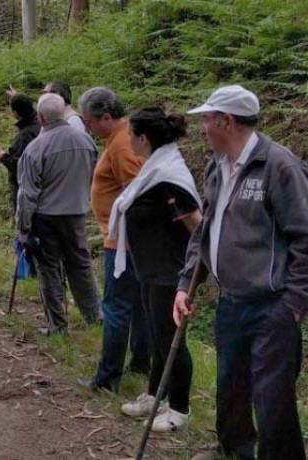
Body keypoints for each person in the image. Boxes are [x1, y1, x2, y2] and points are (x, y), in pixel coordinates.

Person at [177, 86, 308, 460]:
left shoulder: (280, 167)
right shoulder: (217, 166)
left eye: (207, 120)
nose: (202, 128)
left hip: (272, 307)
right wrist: (186, 285)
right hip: (231, 301)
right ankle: (232, 449)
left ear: (227, 122)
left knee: (272, 398)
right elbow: (204, 231)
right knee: (230, 385)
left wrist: (291, 306)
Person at [106, 107, 202, 432]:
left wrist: (190, 277)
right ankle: (155, 395)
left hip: (169, 271)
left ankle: (179, 409)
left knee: (170, 338)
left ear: (143, 138)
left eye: (131, 134)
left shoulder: (170, 177)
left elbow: (197, 226)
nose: (128, 139)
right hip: (149, 269)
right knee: (159, 336)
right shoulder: (155, 169)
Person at [77, 86, 151, 392]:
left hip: (122, 242)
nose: (87, 127)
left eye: (89, 121)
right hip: (126, 239)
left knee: (117, 307)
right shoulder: (118, 138)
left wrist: (126, 236)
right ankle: (141, 361)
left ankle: (108, 377)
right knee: (137, 305)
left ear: (106, 116)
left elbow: (139, 192)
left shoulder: (122, 145)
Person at [16, 93, 101, 333]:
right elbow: (95, 177)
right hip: (76, 213)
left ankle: (57, 325)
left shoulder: (36, 148)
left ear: (41, 118)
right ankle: (94, 316)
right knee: (81, 265)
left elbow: (27, 193)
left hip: (46, 217)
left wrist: (23, 227)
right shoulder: (86, 142)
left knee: (49, 268)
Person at [0, 93, 40, 212]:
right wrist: (17, 97)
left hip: (24, 188)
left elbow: (20, 164)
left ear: (15, 113)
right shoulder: (39, 123)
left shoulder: (26, 134)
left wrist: (3, 157)